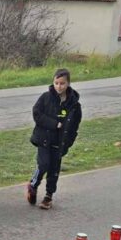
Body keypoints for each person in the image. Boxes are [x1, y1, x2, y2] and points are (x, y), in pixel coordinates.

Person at [27, 69, 82, 210]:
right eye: (56, 83)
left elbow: (74, 126)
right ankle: (33, 185)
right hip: (44, 139)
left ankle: (48, 196)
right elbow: (37, 114)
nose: (59, 86)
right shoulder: (45, 97)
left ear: (68, 83)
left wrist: (68, 143)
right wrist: (53, 124)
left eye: (62, 83)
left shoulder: (74, 105)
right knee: (43, 164)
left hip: (60, 142)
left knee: (54, 170)